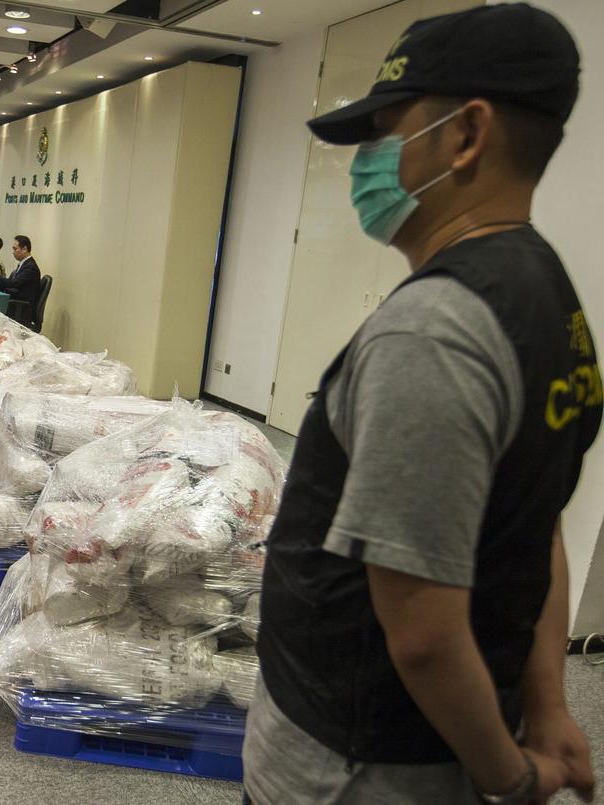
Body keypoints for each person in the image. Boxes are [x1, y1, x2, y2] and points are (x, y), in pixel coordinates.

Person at [245, 6, 600, 805]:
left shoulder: (433, 332)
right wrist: (545, 706)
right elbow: (535, 525)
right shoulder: (548, 296)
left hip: (358, 764)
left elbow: (424, 632)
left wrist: (511, 779)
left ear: (466, 135)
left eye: (386, 131)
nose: (367, 161)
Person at [0, 235, 41, 319]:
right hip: (16, 304)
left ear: (24, 249)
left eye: (15, 249)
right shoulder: (24, 264)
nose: (13, 252)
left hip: (21, 309)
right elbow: (10, 283)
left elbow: (14, 283)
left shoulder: (30, 267)